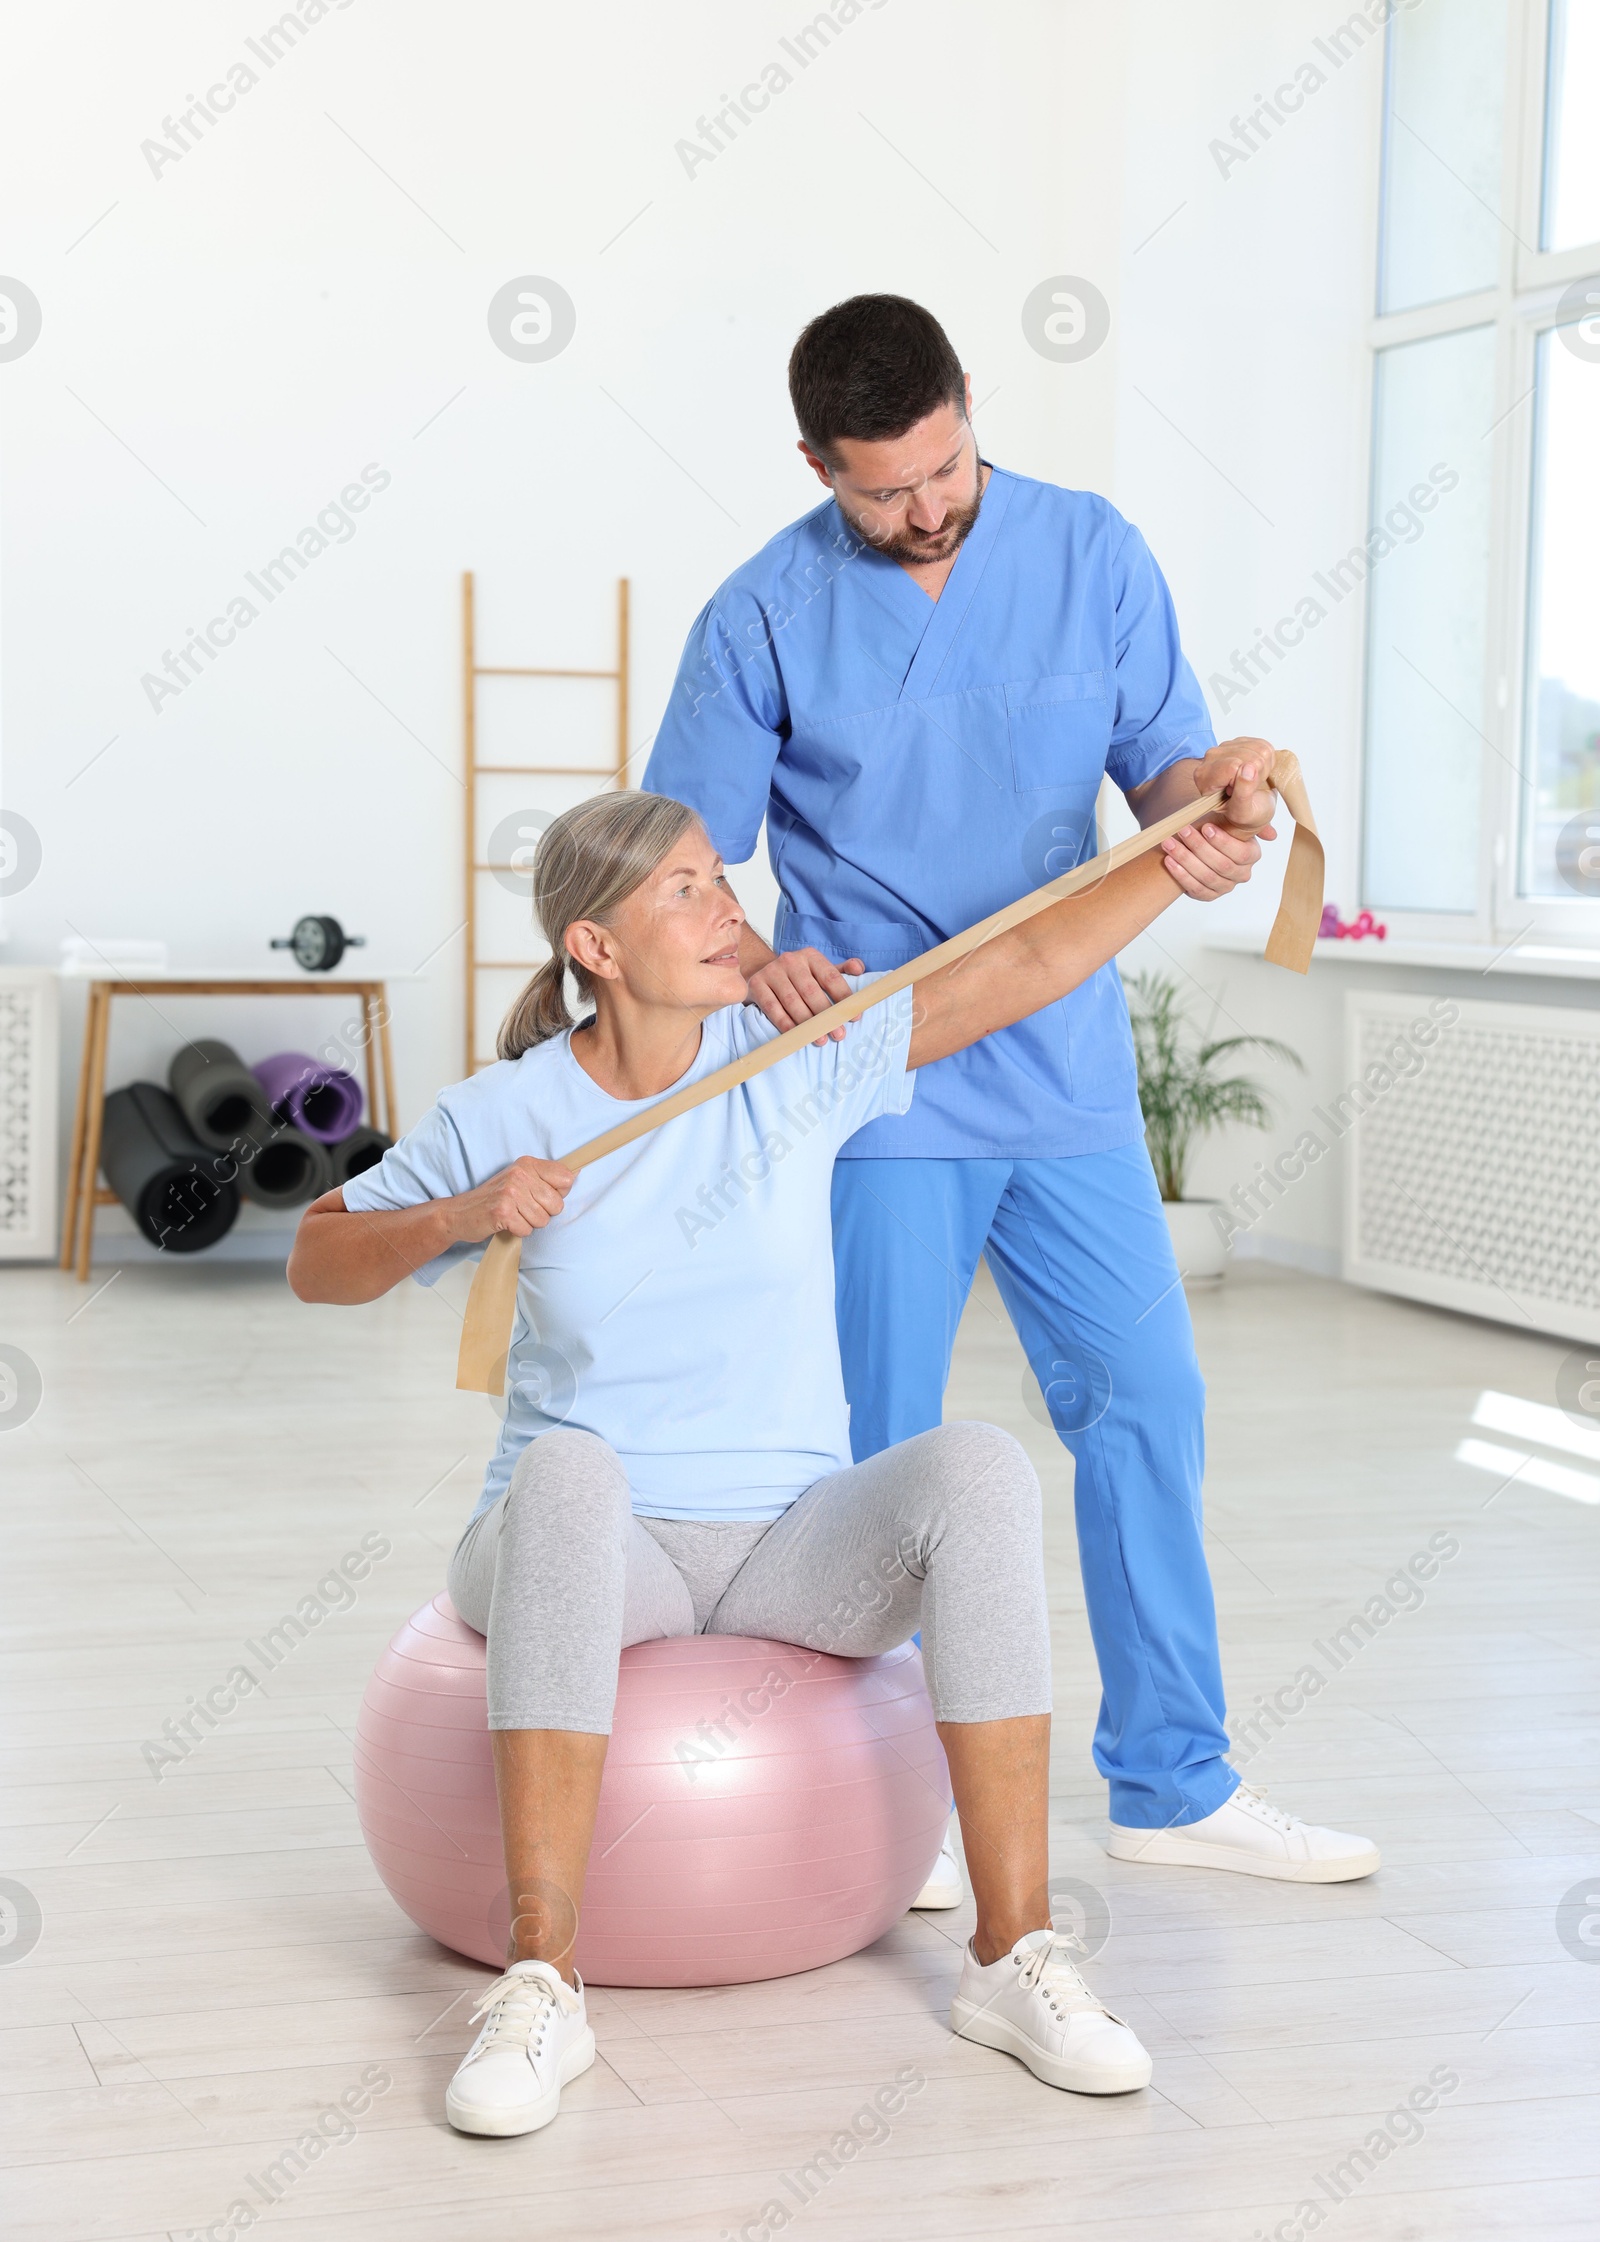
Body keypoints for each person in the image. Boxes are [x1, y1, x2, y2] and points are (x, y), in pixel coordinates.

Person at [290, 769, 1273, 2137]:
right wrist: (461, 1210)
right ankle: (542, 1982)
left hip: (782, 1545)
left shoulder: (796, 1064)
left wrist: (1181, 857)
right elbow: (315, 1258)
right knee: (568, 1466)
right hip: (594, 1542)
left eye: (720, 876)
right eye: (682, 885)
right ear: (595, 946)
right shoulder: (505, 1108)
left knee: (981, 1462)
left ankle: (1013, 1954)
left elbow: (1025, 960)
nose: (724, 905)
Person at [644, 293, 1378, 1890]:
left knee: (1146, 1402)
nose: (926, 510)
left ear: (971, 410)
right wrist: (754, 952)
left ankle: (1174, 1780)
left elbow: (1163, 769)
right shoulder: (762, 608)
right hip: (882, 1075)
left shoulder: (1094, 553)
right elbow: (681, 859)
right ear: (814, 465)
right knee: (877, 1450)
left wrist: (1219, 802)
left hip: (1061, 1069)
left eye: (946, 466)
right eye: (883, 490)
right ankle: (880, 1799)